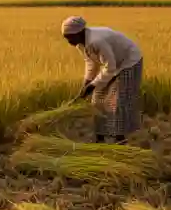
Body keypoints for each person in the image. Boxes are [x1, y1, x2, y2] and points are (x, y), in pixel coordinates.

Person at [61, 16, 144, 144]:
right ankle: (100, 138)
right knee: (97, 99)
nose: (68, 41)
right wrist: (87, 83)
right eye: (66, 38)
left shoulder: (96, 41)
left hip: (128, 61)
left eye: (70, 37)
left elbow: (110, 67)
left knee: (117, 102)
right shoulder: (81, 44)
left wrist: (92, 85)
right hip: (113, 64)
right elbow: (91, 63)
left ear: (79, 32)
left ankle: (120, 140)